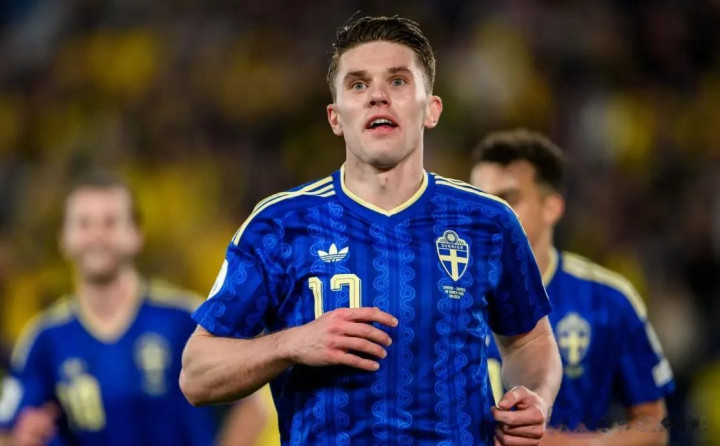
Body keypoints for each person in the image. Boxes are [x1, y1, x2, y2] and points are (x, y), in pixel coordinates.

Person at [180, 16, 562, 446]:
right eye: (358, 84)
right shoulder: (279, 226)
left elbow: (528, 341)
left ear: (431, 109)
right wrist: (292, 344)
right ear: (335, 117)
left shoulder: (488, 222)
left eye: (398, 81)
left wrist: (536, 397)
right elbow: (197, 374)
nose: (378, 96)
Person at [0, 171, 267, 446]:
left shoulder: (185, 318)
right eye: (84, 223)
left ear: (136, 235)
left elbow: (251, 408)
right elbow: (7, 430)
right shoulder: (44, 339)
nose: (97, 235)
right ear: (64, 238)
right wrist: (20, 439)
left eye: (110, 222)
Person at [470, 129, 675, 445]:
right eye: (478, 199)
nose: (489, 213)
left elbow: (654, 427)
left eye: (507, 199)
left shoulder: (608, 300)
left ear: (551, 207)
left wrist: (566, 444)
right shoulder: (439, 294)